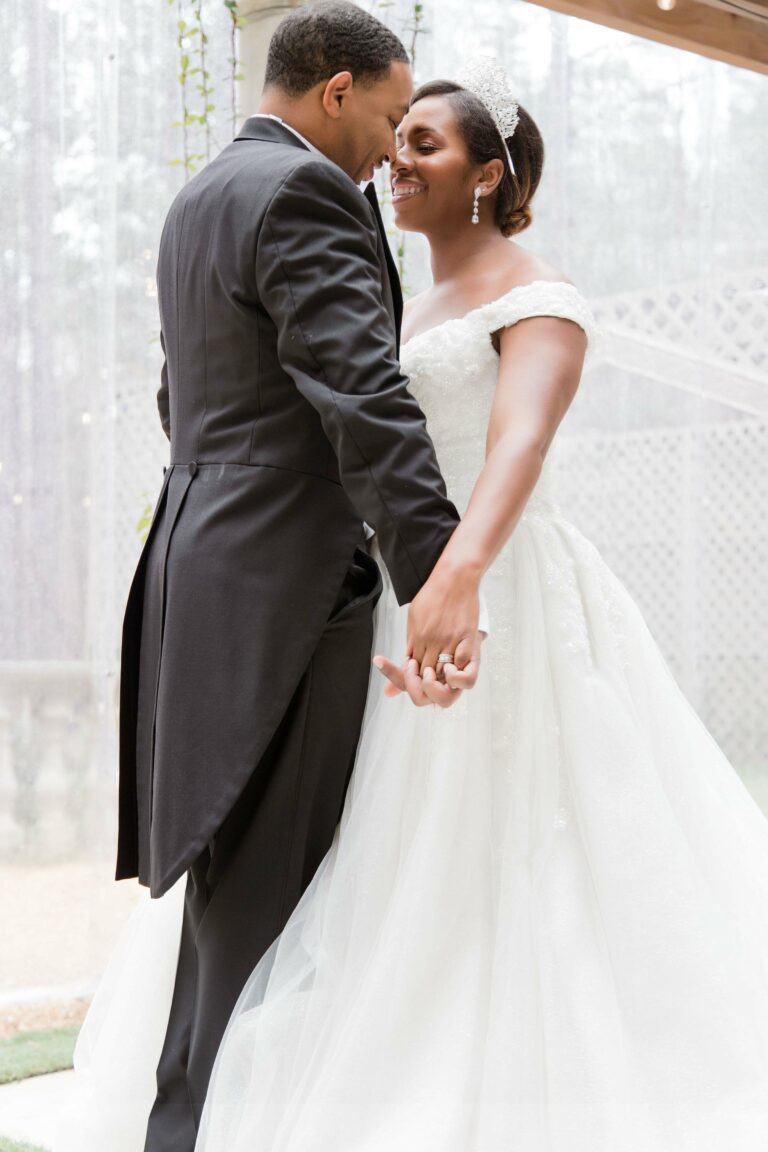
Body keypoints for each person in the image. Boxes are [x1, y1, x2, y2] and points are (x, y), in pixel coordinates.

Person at [58, 43, 768, 1152]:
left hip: (482, 589)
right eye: (395, 132)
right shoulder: (390, 284)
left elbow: (516, 444)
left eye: (421, 140)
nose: (396, 157)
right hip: (388, 592)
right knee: (342, 861)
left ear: (487, 173)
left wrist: (453, 577)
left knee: (504, 850)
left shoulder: (540, 296)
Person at [76, 4, 487, 1151]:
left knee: (234, 892)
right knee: (273, 904)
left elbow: (185, 397)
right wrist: (439, 575)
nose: (392, 148)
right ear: (337, 90)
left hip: (200, 559)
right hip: (287, 579)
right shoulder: (305, 191)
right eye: (392, 117)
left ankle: (189, 1123)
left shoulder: (202, 197)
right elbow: (362, 394)